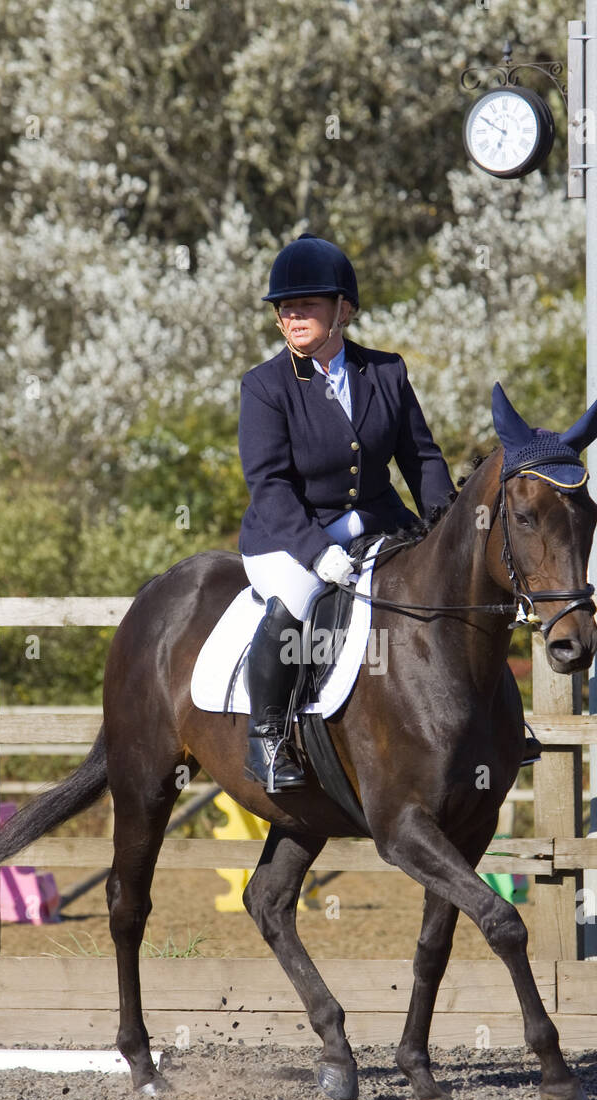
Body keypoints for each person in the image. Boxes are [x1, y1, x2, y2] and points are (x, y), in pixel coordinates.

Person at [238, 233, 454, 790]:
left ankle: (493, 722)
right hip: (288, 536)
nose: (293, 313)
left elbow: (422, 460)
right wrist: (316, 554)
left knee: (451, 587)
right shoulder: (265, 387)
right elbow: (270, 485)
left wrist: (449, 532)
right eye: (286, 306)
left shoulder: (385, 373)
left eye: (307, 303)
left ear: (344, 310)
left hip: (377, 522)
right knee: (294, 605)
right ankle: (267, 739)